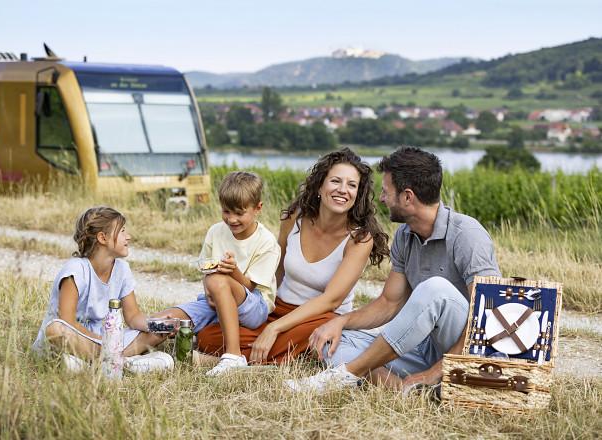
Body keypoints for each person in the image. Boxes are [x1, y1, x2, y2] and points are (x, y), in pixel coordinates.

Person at [285, 146, 502, 394]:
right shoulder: (404, 236)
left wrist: (436, 371)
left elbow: (489, 313)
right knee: (331, 341)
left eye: (386, 192)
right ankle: (409, 392)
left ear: (407, 197)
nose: (381, 198)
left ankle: (347, 374)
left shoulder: (467, 234)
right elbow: (389, 303)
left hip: (469, 350)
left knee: (435, 289)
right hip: (426, 348)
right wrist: (340, 322)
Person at [196, 148, 390, 364]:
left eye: (352, 185)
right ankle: (267, 357)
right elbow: (276, 270)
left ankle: (230, 360)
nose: (343, 190)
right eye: (335, 181)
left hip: (319, 317)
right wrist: (265, 315)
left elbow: (332, 300)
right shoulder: (295, 217)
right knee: (208, 336)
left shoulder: (360, 238)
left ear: (358, 194)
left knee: (304, 337)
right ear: (320, 185)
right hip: (280, 307)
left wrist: (274, 329)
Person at [159, 171, 281, 376]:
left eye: (239, 213)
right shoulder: (215, 232)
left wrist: (233, 271)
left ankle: (233, 356)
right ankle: (124, 352)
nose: (231, 219)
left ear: (257, 208)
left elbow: (250, 286)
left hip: (254, 305)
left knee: (217, 280)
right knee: (164, 319)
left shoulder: (266, 242)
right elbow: (205, 269)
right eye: (226, 211)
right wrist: (209, 292)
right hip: (215, 298)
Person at [33, 206, 173, 373]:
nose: (128, 236)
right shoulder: (75, 270)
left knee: (154, 333)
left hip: (103, 340)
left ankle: (97, 363)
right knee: (56, 330)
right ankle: (121, 361)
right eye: (122, 231)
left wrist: (158, 325)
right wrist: (104, 343)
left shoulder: (122, 269)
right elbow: (67, 321)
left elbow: (133, 317)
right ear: (102, 237)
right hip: (75, 338)